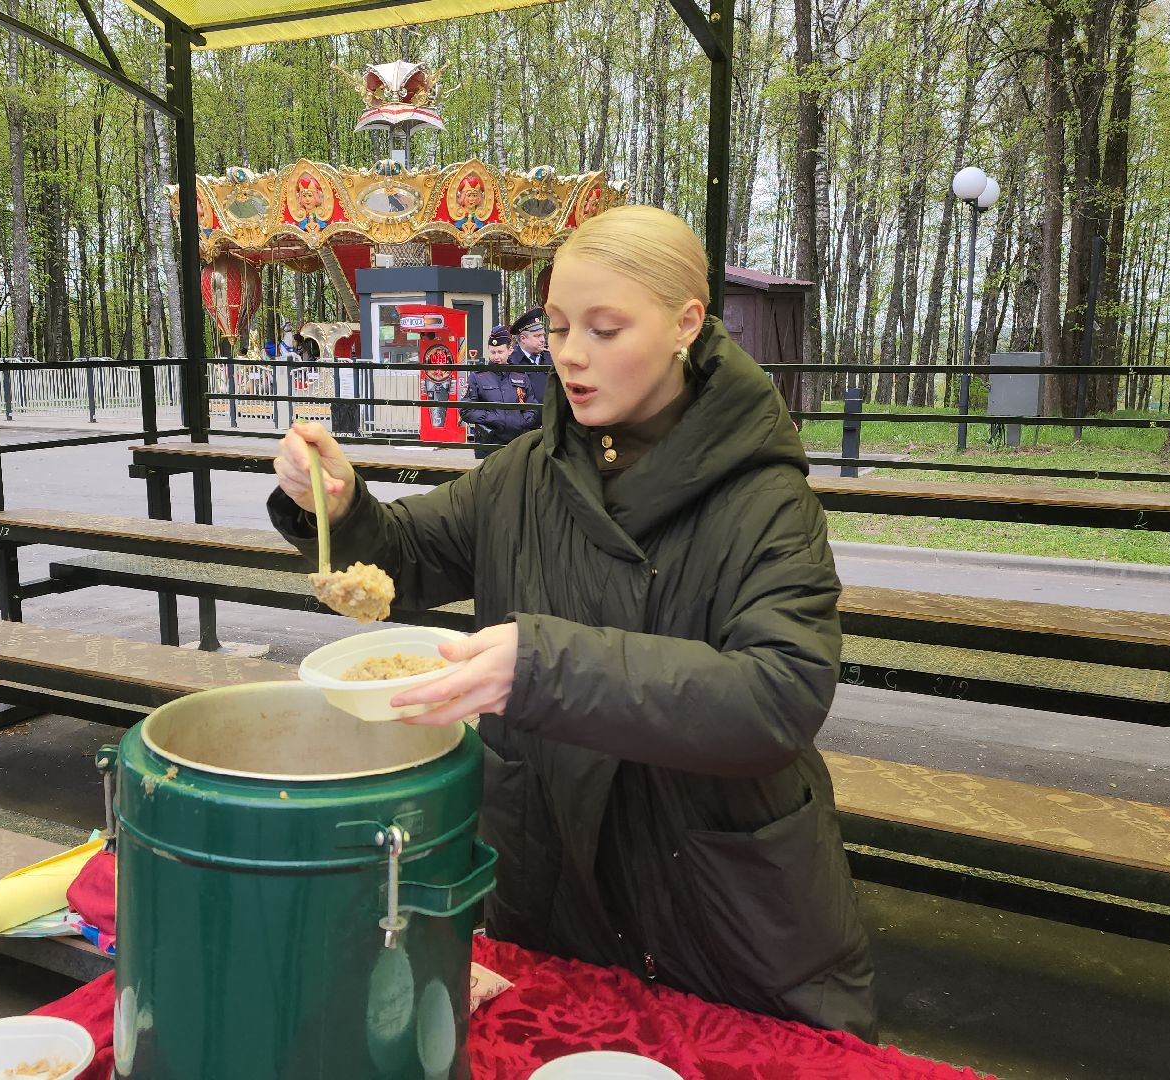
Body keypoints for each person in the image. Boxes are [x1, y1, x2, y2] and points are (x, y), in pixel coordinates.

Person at [268, 205, 875, 1039]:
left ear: (685, 324)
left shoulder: (765, 498)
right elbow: (404, 558)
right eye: (556, 326)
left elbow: (777, 699)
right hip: (551, 881)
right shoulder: (525, 472)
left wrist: (540, 667)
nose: (571, 355)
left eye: (605, 327)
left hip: (717, 905)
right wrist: (336, 506)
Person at [460, 309, 548, 457]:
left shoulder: (520, 375)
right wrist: (495, 418)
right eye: (492, 352)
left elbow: (531, 406)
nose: (496, 357)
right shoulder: (478, 376)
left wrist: (521, 421)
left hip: (517, 442)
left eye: (500, 352)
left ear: (510, 350)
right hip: (489, 443)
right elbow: (466, 410)